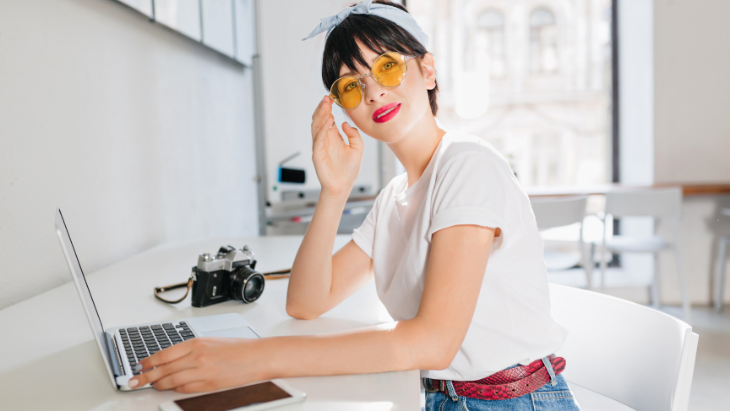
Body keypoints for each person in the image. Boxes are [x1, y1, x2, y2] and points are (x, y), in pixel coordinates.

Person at [129, 1, 580, 409]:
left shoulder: (467, 166)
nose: (373, 94)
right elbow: (306, 301)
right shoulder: (394, 198)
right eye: (351, 86)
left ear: (428, 71)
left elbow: (433, 344)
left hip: (516, 401)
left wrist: (255, 359)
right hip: (437, 398)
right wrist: (334, 191)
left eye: (386, 67)